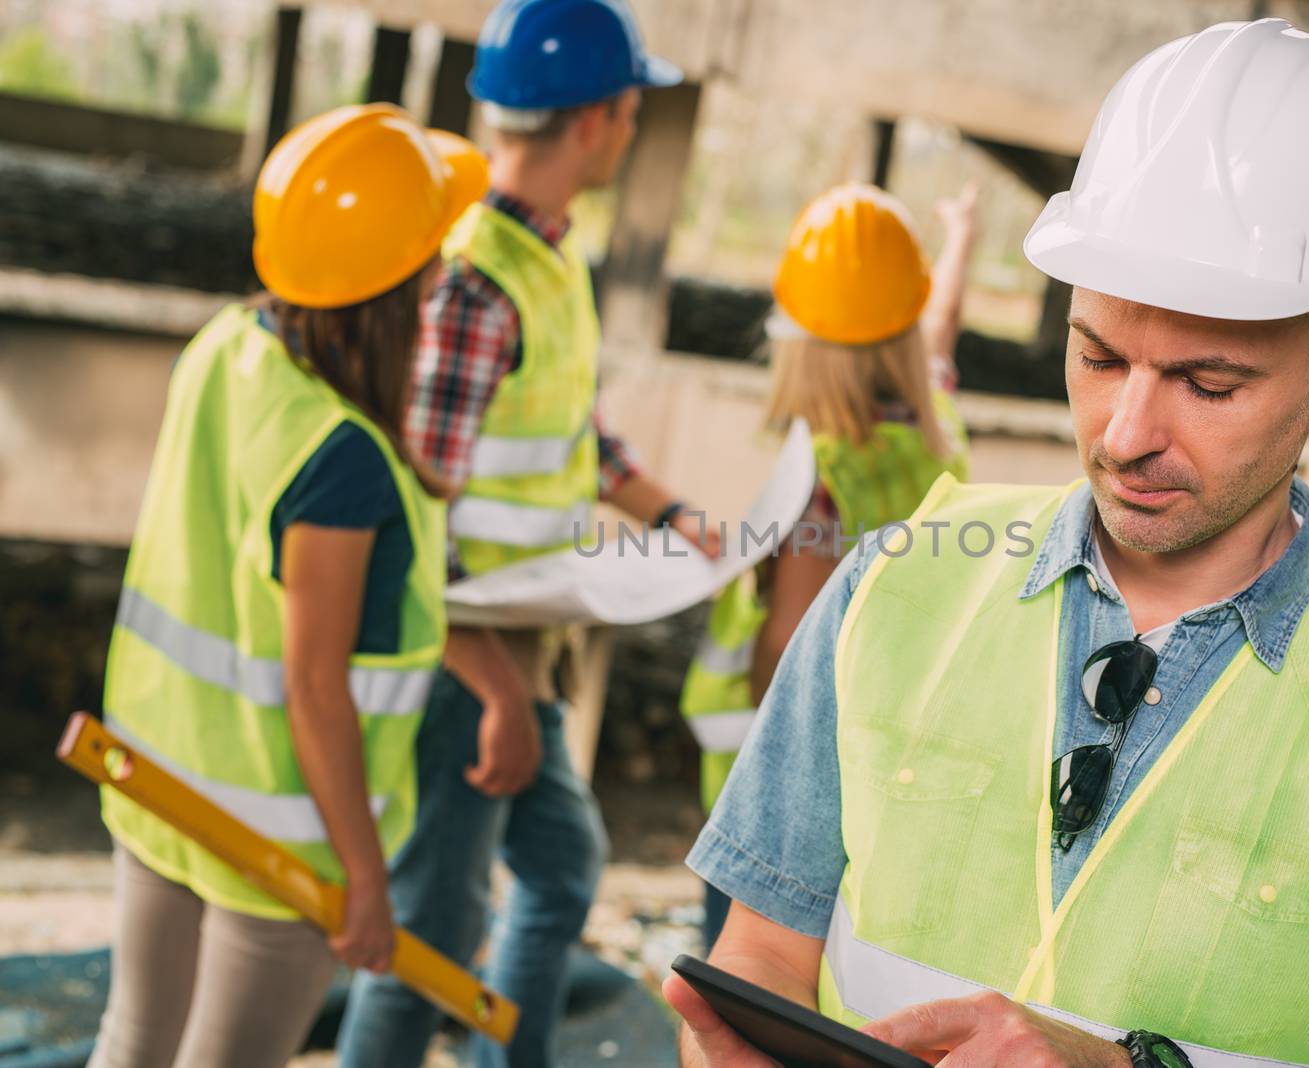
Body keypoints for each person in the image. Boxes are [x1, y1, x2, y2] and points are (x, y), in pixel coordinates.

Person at [664, 18, 1309, 1068]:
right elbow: (758, 954)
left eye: (1207, 385)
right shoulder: (889, 590)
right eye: (1098, 355)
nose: (1124, 436)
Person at [338, 2, 715, 1066]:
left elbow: (568, 435)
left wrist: (680, 520)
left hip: (516, 654)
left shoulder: (542, 259)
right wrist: (498, 689)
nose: (637, 122)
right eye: (634, 103)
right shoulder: (476, 281)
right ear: (599, 116)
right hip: (464, 665)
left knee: (556, 869)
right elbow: (406, 525)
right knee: (430, 937)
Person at [86, 104, 486, 1068]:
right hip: (283, 835)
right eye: (435, 252)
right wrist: (363, 879)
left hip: (159, 779)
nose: (446, 274)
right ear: (399, 287)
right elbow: (315, 684)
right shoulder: (340, 455)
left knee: (131, 1041)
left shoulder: (226, 346)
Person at [680, 181, 977, 950]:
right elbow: (935, 337)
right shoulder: (934, 427)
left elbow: (785, 643)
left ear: (797, 338)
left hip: (781, 790)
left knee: (745, 985)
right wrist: (960, 240)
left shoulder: (820, 480)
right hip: (887, 758)